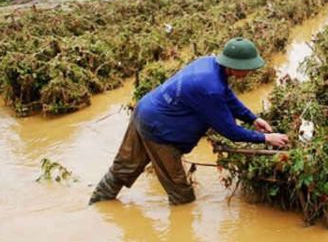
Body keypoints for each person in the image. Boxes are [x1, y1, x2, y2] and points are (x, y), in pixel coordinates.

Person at [89, 37, 289, 205]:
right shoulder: (209, 88)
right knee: (181, 194)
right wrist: (266, 138)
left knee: (123, 168)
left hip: (145, 110)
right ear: (234, 66)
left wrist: (254, 119)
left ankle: (97, 207)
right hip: (160, 130)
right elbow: (231, 131)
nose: (250, 72)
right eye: (248, 68)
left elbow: (228, 98)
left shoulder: (209, 64)